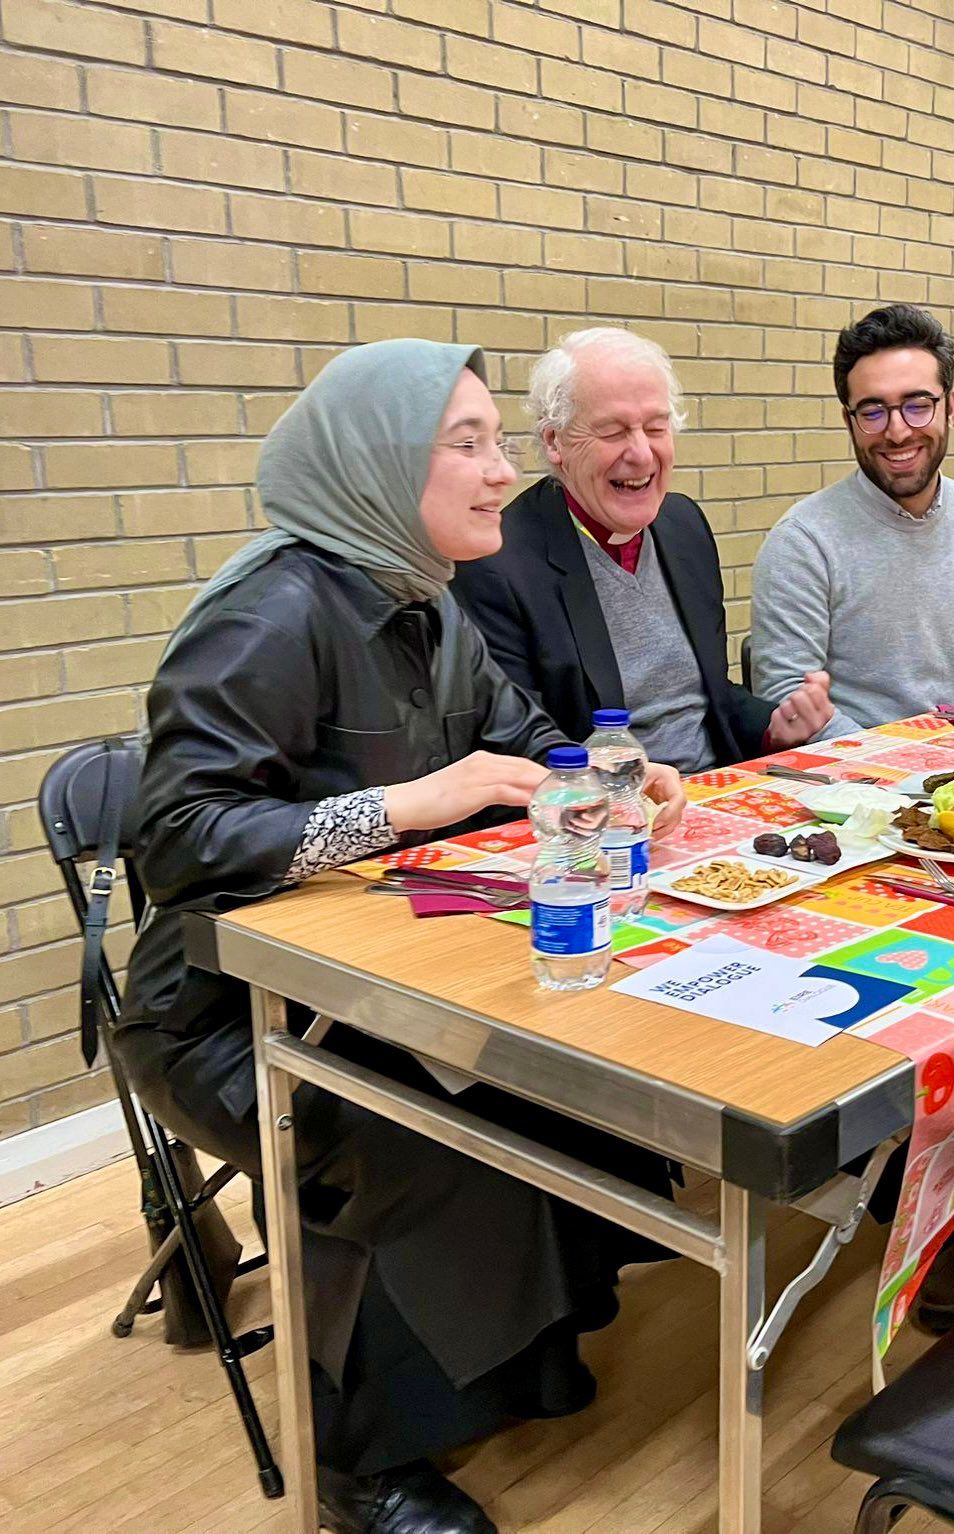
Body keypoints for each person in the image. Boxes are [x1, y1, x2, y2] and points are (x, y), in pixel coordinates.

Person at [115, 339, 689, 1534]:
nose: (498, 473)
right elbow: (175, 839)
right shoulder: (273, 610)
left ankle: (513, 1367)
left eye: (495, 441)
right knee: (409, 1123)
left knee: (555, 1068)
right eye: (468, 444)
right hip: (218, 1008)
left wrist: (615, 781)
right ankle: (360, 1464)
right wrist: (406, 806)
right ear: (381, 465)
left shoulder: (425, 600)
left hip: (371, 973)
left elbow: (523, 739)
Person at [451, 328, 833, 768]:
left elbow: (705, 696)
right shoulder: (498, 564)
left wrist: (772, 727)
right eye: (613, 432)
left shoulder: (682, 525)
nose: (642, 455)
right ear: (555, 442)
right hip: (604, 814)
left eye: (656, 428)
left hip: (720, 791)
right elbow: (518, 746)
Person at [749, 304, 954, 736]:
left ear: (950, 407)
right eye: (873, 411)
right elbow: (784, 696)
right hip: (855, 784)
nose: (898, 431)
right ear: (849, 421)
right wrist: (899, 763)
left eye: (918, 405)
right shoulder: (803, 542)